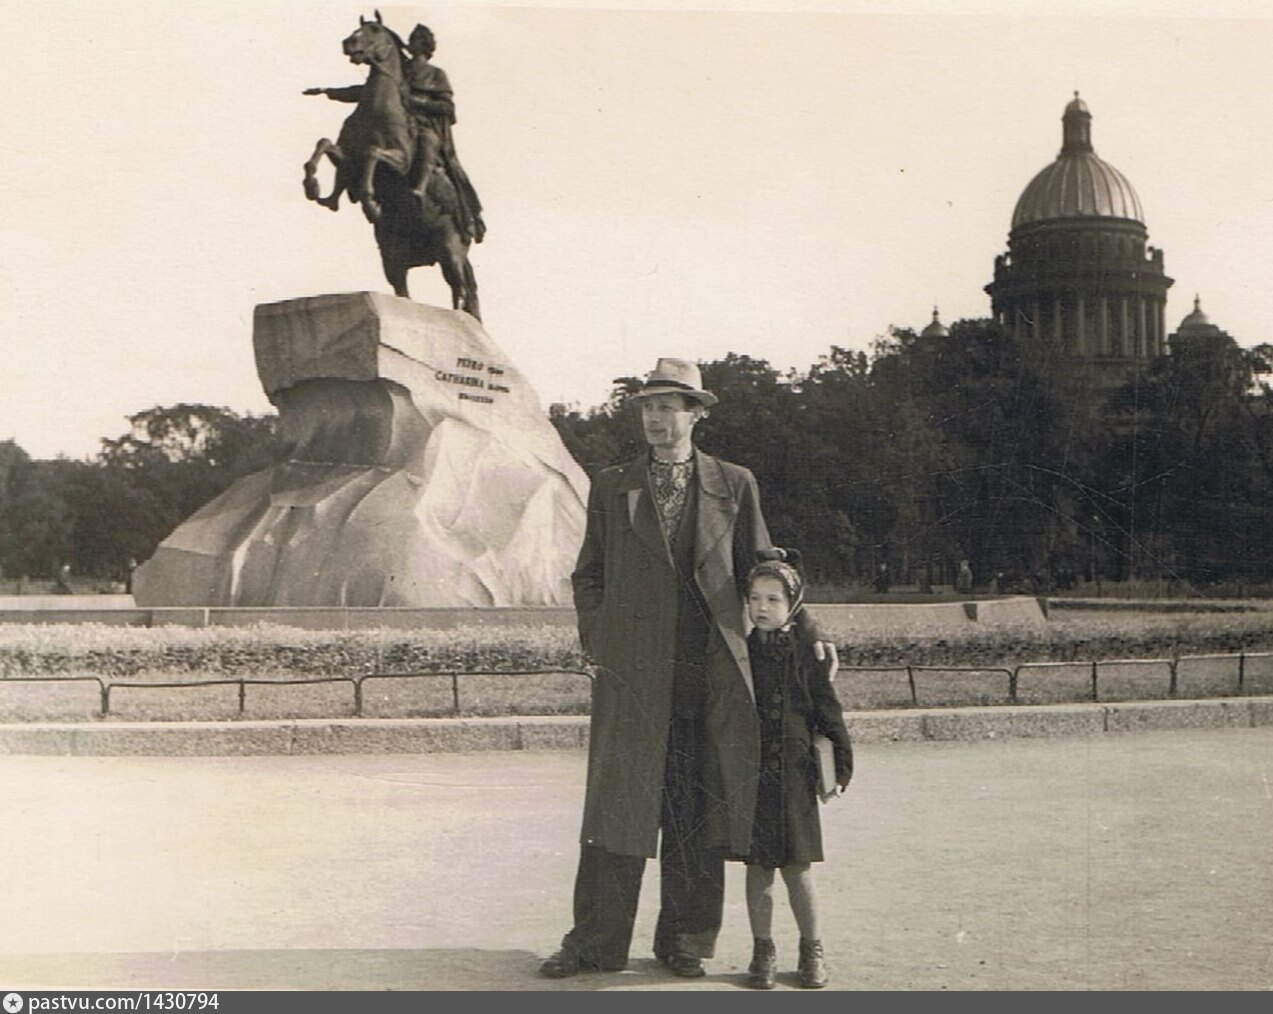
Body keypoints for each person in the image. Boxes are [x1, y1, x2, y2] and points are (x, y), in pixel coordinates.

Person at [539, 358, 839, 980]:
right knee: (616, 810)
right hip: (633, 673)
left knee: (697, 809)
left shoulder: (735, 483)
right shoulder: (612, 485)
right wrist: (600, 640)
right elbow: (589, 573)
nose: (655, 418)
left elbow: (767, 569)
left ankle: (686, 942)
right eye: (647, 407)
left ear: (696, 414)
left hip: (712, 674)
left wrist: (809, 632)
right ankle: (594, 943)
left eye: (668, 407)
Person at [739, 548, 853, 989]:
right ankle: (762, 950)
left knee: (798, 867)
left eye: (773, 600)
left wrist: (841, 767)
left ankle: (812, 948)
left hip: (796, 775)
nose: (762, 607)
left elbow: (829, 711)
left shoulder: (807, 655)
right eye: (755, 598)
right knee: (758, 867)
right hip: (753, 775)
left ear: (793, 606)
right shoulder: (741, 652)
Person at [404, 24, 486, 243]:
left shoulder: (437, 74)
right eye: (410, 39)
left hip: (426, 127)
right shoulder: (401, 71)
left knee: (427, 141)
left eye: (414, 39)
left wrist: (417, 102)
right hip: (402, 125)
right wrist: (330, 92)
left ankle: (421, 188)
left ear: (424, 45)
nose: (410, 43)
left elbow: (448, 108)